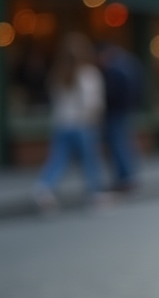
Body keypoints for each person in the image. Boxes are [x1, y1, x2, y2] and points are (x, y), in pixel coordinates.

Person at [32, 33, 107, 211]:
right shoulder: (89, 74)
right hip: (83, 124)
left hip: (62, 123)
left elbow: (54, 100)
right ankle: (94, 194)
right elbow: (93, 104)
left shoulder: (56, 74)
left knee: (57, 159)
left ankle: (43, 188)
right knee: (90, 161)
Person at [97, 42, 143, 192]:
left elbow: (117, 93)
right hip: (124, 112)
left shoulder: (117, 69)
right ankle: (127, 177)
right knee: (123, 144)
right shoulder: (128, 64)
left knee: (119, 145)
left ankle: (126, 178)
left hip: (117, 112)